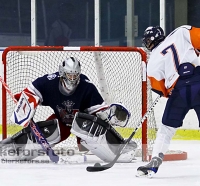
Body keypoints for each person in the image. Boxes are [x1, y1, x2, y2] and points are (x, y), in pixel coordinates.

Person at [0, 56, 136, 163]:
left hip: (82, 122)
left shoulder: (86, 86)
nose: (72, 78)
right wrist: (28, 101)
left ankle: (117, 148)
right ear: (62, 72)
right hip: (61, 122)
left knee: (85, 125)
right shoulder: (49, 82)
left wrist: (108, 114)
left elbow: (98, 111)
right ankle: (14, 147)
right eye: (69, 75)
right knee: (53, 131)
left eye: (75, 75)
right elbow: (31, 91)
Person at [136, 25, 200, 178]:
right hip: (199, 82)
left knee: (166, 129)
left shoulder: (153, 60)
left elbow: (159, 89)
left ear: (149, 41)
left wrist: (170, 89)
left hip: (179, 93)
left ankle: (155, 162)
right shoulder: (182, 30)